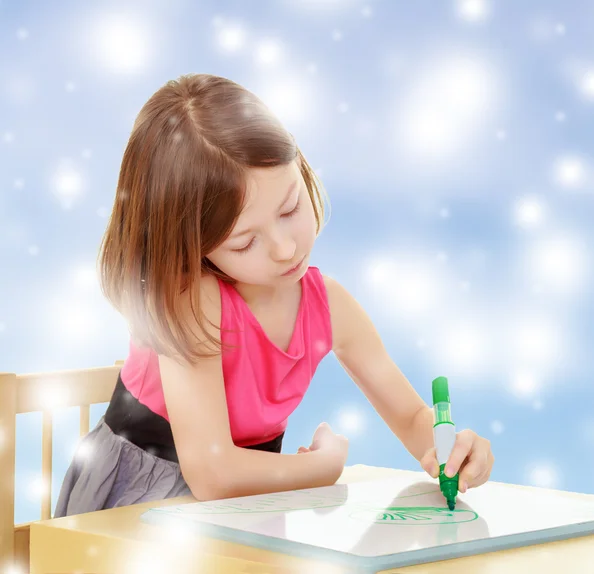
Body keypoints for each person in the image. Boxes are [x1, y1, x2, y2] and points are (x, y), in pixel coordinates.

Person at [54, 73, 494, 517]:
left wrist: (453, 450)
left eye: (290, 208)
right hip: (140, 507)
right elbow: (213, 474)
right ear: (193, 245)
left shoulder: (330, 305)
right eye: (245, 242)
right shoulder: (193, 300)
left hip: (246, 509)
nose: (286, 249)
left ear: (300, 169)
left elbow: (413, 419)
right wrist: (321, 468)